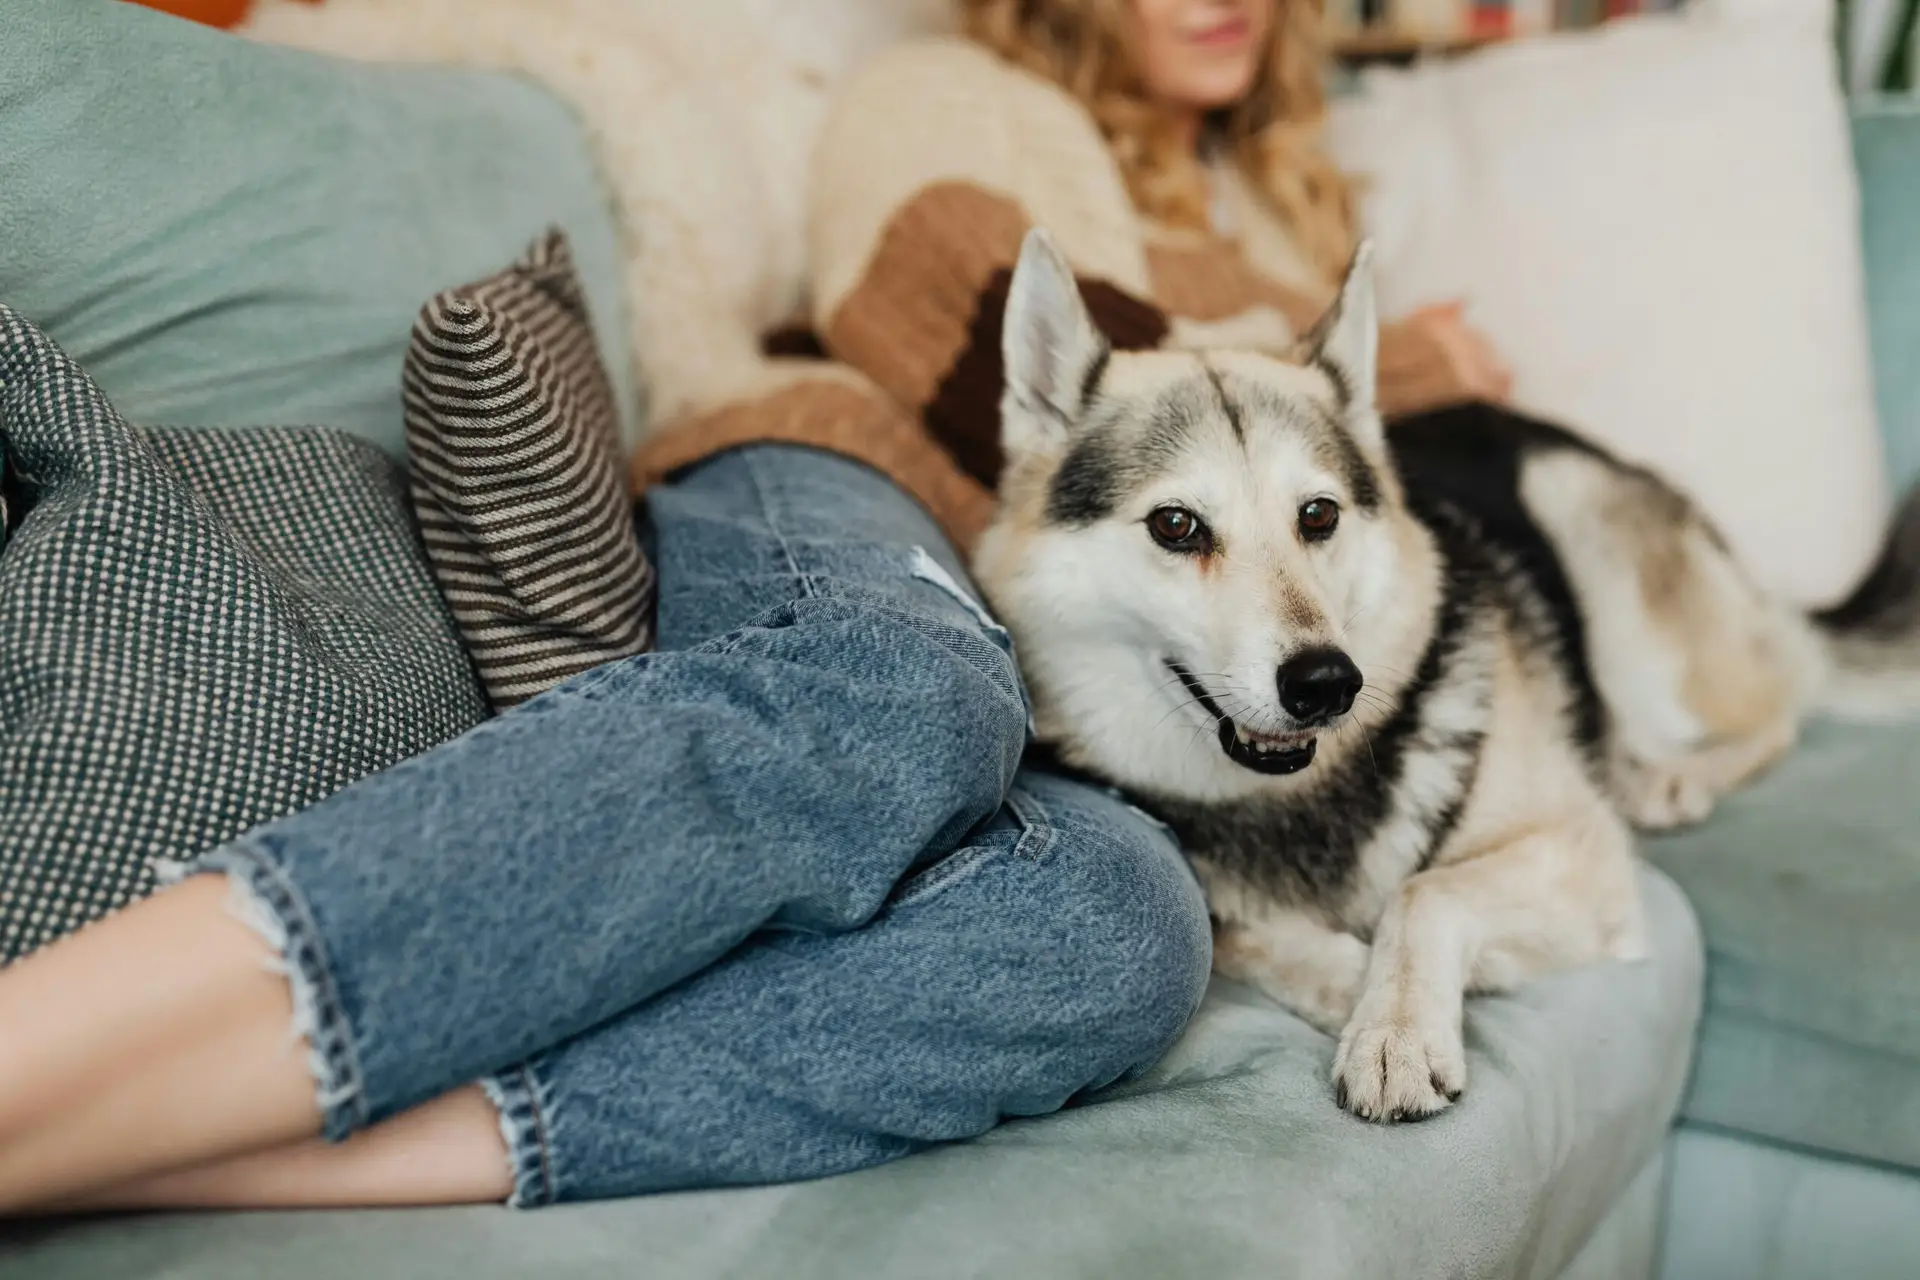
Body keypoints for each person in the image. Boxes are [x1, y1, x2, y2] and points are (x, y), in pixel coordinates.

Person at [0, 0, 1500, 1214]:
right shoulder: (954, 93)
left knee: (1121, 936)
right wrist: (1381, 387)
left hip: (1084, 679)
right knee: (898, 700)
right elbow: (935, 308)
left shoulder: (1280, 221)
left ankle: (205, 1153)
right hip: (844, 462)